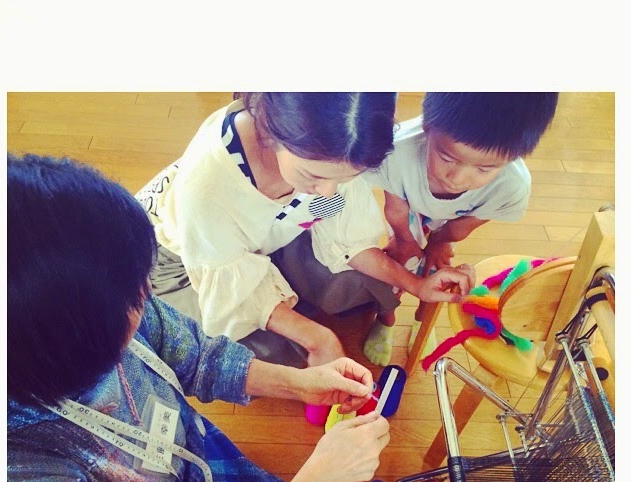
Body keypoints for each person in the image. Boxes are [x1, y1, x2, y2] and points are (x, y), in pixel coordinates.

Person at [7, 154, 390, 482]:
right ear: (69, 346)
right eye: (133, 299)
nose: (148, 294)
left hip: (191, 455)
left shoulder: (100, 300)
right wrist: (318, 481)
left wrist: (300, 383)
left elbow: (196, 355)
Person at [135, 92, 474, 369]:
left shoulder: (338, 152)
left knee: (349, 285)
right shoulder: (208, 189)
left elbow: (348, 241)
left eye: (347, 177)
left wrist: (416, 285)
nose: (329, 192)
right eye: (314, 176)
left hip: (262, 238)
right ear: (270, 131)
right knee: (259, 358)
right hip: (182, 265)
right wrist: (319, 338)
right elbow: (232, 292)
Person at [360, 92, 559, 366]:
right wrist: (405, 240)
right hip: (406, 212)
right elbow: (395, 209)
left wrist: (440, 242)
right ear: (428, 126)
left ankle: (422, 321)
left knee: (438, 272)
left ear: (514, 156)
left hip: (450, 223)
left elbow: (464, 226)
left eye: (484, 169)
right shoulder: (396, 150)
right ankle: (386, 318)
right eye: (447, 158)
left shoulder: (512, 187)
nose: (458, 179)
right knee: (395, 266)